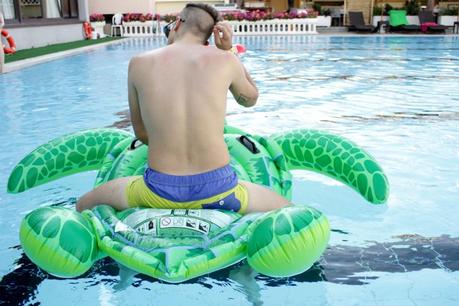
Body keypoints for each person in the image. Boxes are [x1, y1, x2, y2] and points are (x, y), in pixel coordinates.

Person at [76, 3, 290, 214]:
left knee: (83, 203)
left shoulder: (138, 63)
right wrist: (229, 51)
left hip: (157, 191)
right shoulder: (226, 60)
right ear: (208, 37)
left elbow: (141, 133)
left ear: (177, 23)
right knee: (289, 210)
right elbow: (249, 99)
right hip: (221, 190)